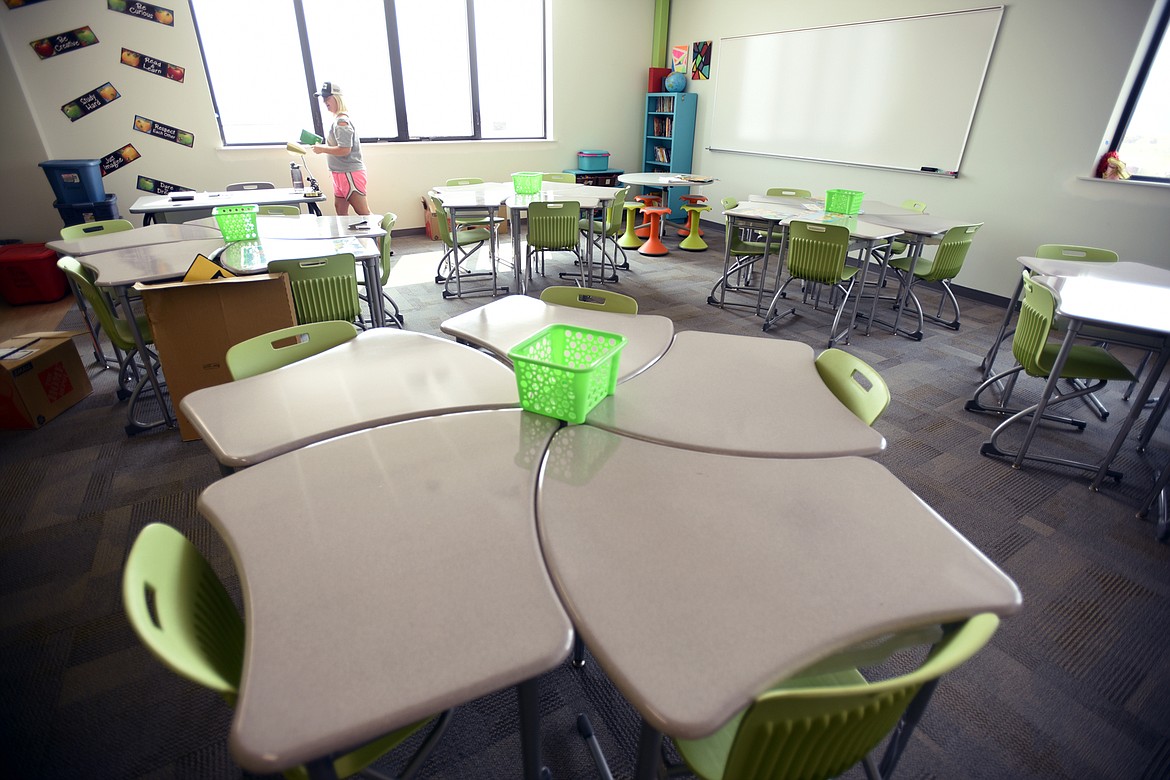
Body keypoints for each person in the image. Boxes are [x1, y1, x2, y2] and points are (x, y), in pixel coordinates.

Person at [312, 81, 370, 216]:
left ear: (337, 97)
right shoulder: (337, 120)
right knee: (341, 212)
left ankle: (382, 237)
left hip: (348, 172)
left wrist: (322, 149)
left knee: (363, 212)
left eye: (327, 97)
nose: (324, 101)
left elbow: (345, 149)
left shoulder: (341, 121)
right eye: (323, 98)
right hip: (339, 173)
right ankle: (346, 237)